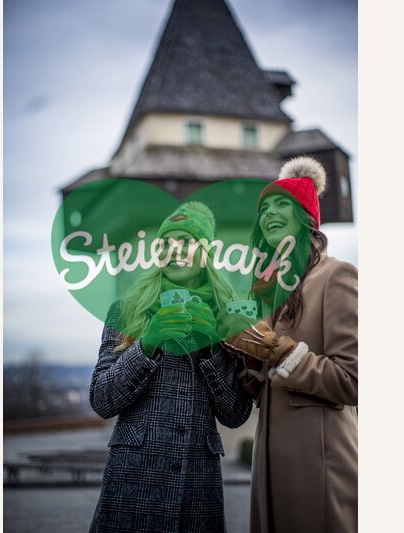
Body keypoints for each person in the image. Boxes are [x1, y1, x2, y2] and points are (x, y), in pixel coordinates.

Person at [89, 201, 254, 533]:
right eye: (165, 243)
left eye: (187, 241)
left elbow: (236, 414)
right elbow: (101, 400)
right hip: (133, 479)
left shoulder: (230, 314)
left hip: (198, 484)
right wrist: (148, 343)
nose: (174, 250)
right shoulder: (126, 309)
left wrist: (211, 350)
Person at [220, 157, 358, 533]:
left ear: (306, 218)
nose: (269, 214)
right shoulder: (271, 293)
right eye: (264, 208)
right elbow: (268, 388)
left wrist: (276, 350)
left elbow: (353, 380)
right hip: (270, 467)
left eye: (281, 205)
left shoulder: (337, 276)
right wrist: (244, 358)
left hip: (320, 465)